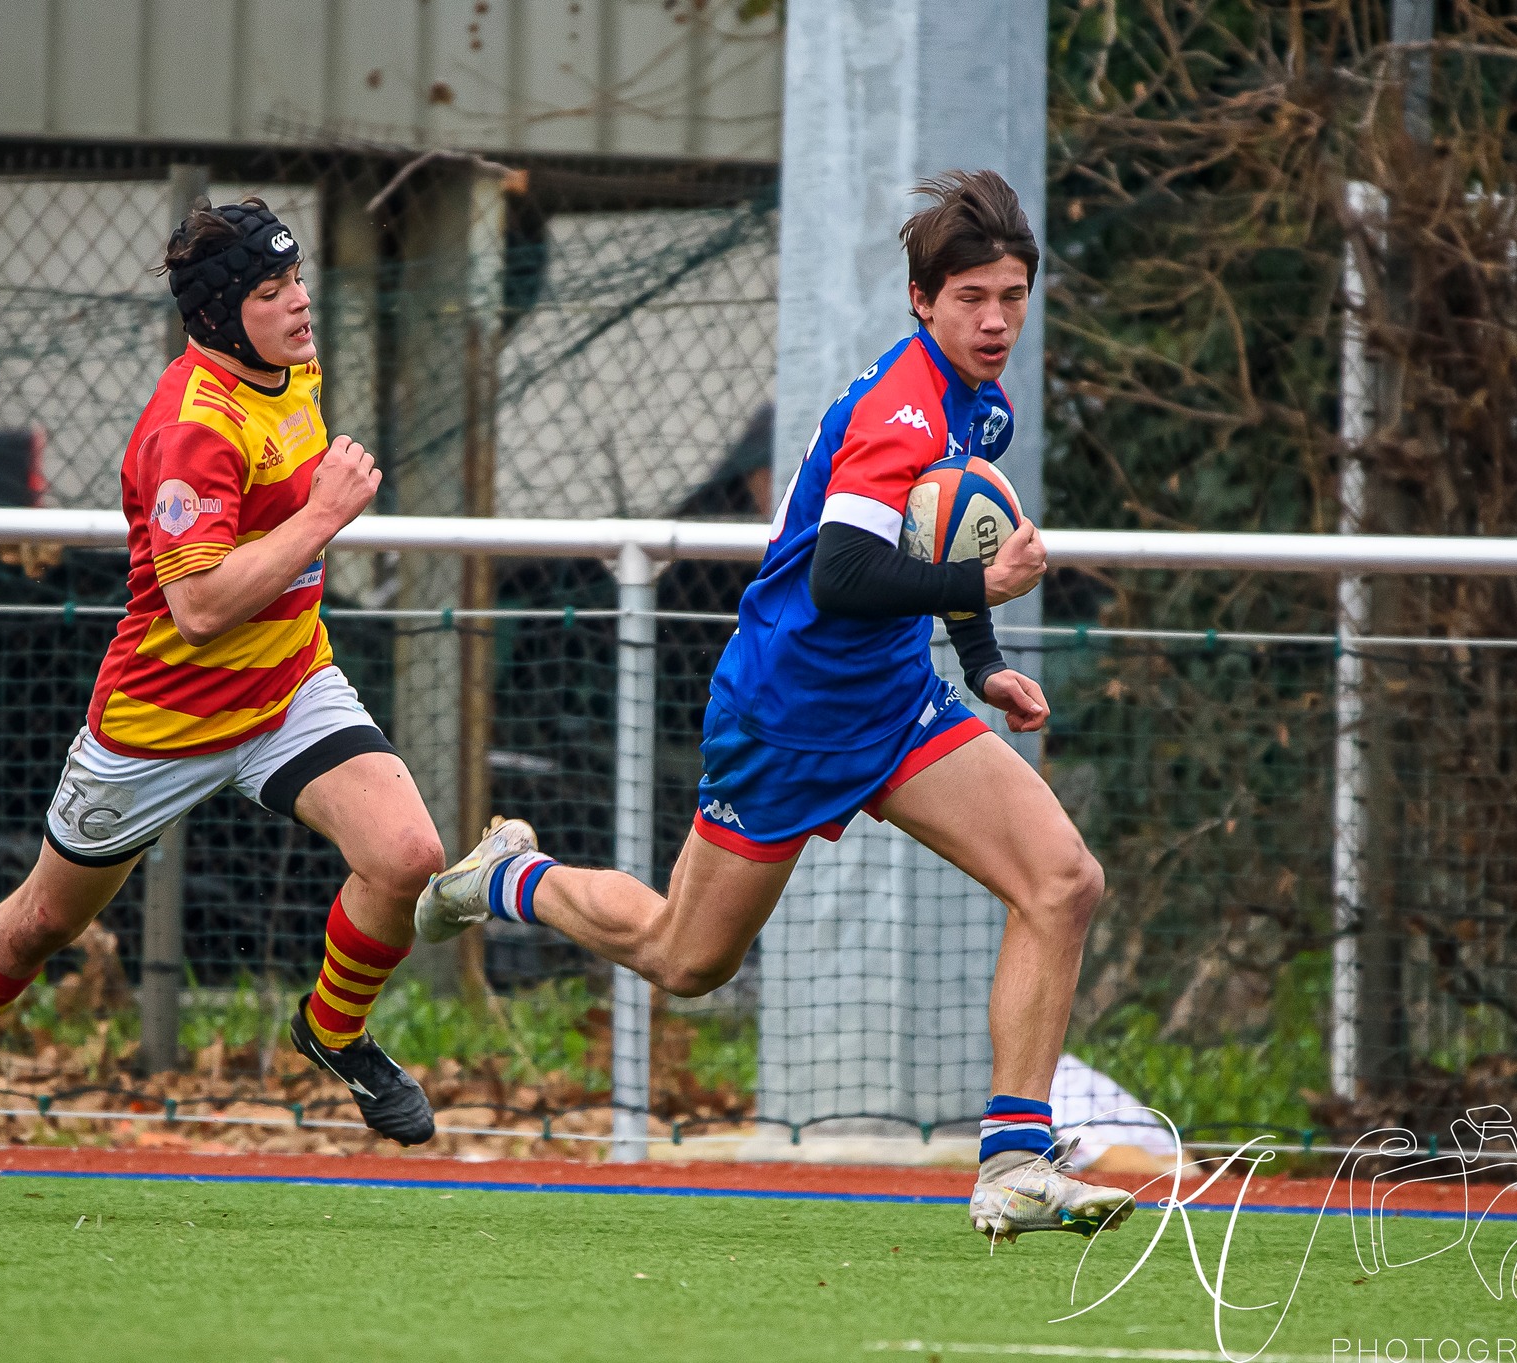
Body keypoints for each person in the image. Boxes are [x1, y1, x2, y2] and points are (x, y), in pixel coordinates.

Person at [418, 170, 1133, 1243]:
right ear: (921, 300)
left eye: (1012, 297)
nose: (995, 320)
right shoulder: (898, 411)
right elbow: (844, 574)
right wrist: (980, 592)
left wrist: (981, 660)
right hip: (786, 713)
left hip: (892, 703)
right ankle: (509, 874)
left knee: (1063, 880)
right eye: (971, 298)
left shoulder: (978, 403)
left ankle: (1014, 1163)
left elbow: (941, 540)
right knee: (686, 958)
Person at [0, 199, 446, 1213]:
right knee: (39, 926)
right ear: (218, 317)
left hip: (288, 687)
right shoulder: (190, 429)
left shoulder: (292, 369)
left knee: (407, 856)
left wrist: (308, 523)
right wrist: (322, 516)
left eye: (297, 281)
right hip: (162, 721)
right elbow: (201, 608)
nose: (300, 304)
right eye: (272, 292)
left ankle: (333, 1031)